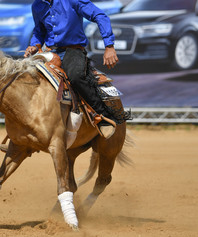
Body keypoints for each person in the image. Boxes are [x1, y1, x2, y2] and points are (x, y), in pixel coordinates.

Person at [24, 0, 130, 138]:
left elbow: (100, 15)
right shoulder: (37, 5)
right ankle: (22, 129)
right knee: (25, 77)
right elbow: (39, 30)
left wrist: (109, 46)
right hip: (49, 53)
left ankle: (102, 116)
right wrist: (34, 45)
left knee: (76, 76)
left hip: (73, 50)